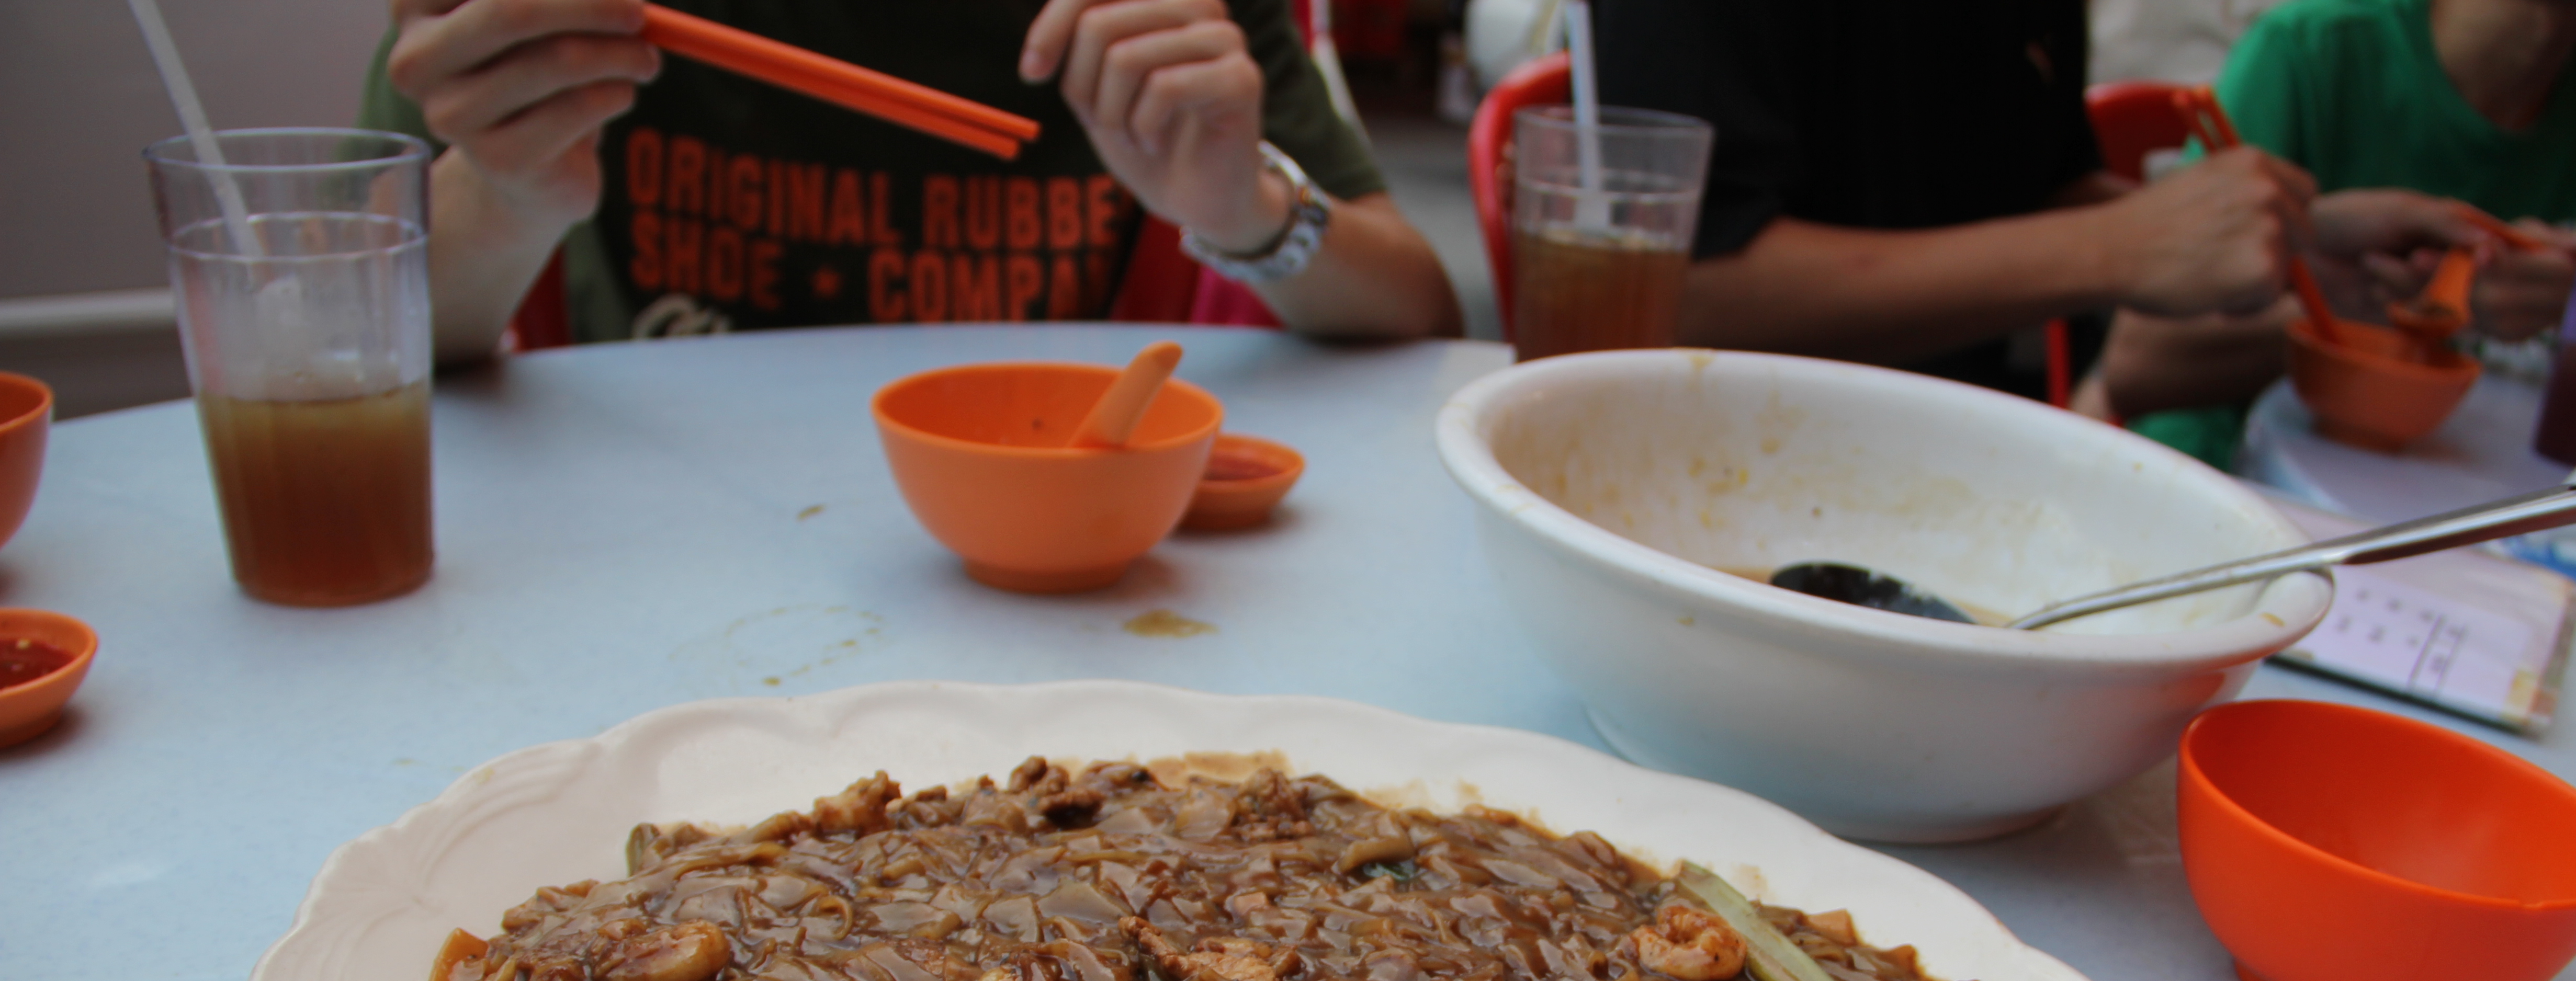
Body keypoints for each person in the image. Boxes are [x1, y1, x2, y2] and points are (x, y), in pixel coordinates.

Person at [363, 0, 1462, 362]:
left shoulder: (1161, 11)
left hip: (1056, 579)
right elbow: (350, 345)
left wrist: (1249, 212)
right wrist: (506, 197)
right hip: (627, 556)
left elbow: (1418, 313)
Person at [1591, 2, 2335, 396]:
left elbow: (2034, 189)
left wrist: (2302, 241)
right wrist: (2118, 249)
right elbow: (1677, 293)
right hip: (1712, 477)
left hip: (1945, 476)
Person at [2102, 0, 2576, 466]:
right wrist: (2407, 306)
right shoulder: (2310, 50)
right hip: (2231, 471)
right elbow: (2138, 364)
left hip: (2464, 487)